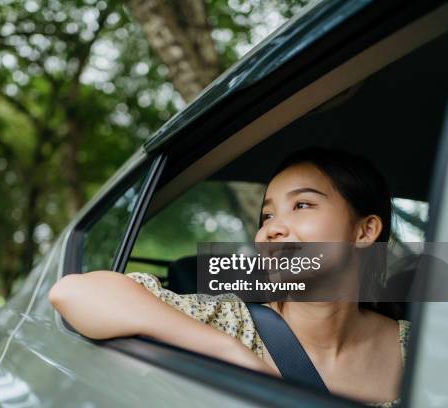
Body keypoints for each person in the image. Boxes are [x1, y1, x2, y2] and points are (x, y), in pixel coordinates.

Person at [49, 147, 410, 407]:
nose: (272, 230)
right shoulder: (230, 322)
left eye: (302, 205)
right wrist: (229, 350)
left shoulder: (423, 344)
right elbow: (72, 292)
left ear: (365, 232)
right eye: (266, 217)